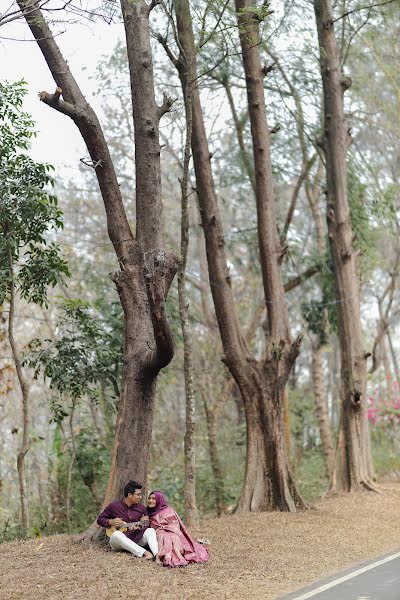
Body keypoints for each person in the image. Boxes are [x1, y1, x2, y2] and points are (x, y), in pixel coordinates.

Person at [97, 480, 158, 560]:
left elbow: (146, 525)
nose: (140, 497)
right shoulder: (113, 506)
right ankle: (145, 553)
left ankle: (158, 556)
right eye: (138, 494)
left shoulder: (142, 508)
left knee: (151, 530)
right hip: (119, 543)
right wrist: (111, 522)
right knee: (116, 534)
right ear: (129, 495)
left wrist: (142, 526)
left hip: (136, 539)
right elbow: (100, 519)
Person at [147, 490, 209, 568]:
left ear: (159, 500)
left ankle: (174, 558)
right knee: (164, 536)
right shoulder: (147, 512)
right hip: (158, 533)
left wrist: (166, 528)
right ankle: (165, 557)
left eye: (153, 499)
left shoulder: (168, 510)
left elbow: (176, 524)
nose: (150, 501)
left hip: (172, 531)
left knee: (172, 536)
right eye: (149, 498)